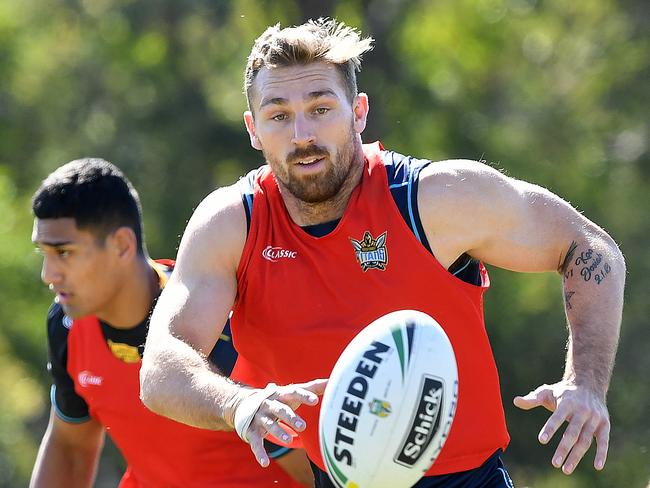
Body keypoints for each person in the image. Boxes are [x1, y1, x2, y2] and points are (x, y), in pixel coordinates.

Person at [139, 18, 625, 487]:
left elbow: (590, 247)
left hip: (467, 481)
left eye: (321, 108)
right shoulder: (232, 225)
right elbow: (160, 366)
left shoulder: (433, 199)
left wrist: (585, 381)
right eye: (279, 115)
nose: (302, 134)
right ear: (253, 128)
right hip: (339, 479)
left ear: (359, 112)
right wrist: (238, 404)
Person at [30, 158, 314, 487]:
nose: (48, 275)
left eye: (63, 253)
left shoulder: (220, 321)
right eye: (44, 254)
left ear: (122, 245)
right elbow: (70, 449)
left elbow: (309, 467)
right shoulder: (66, 325)